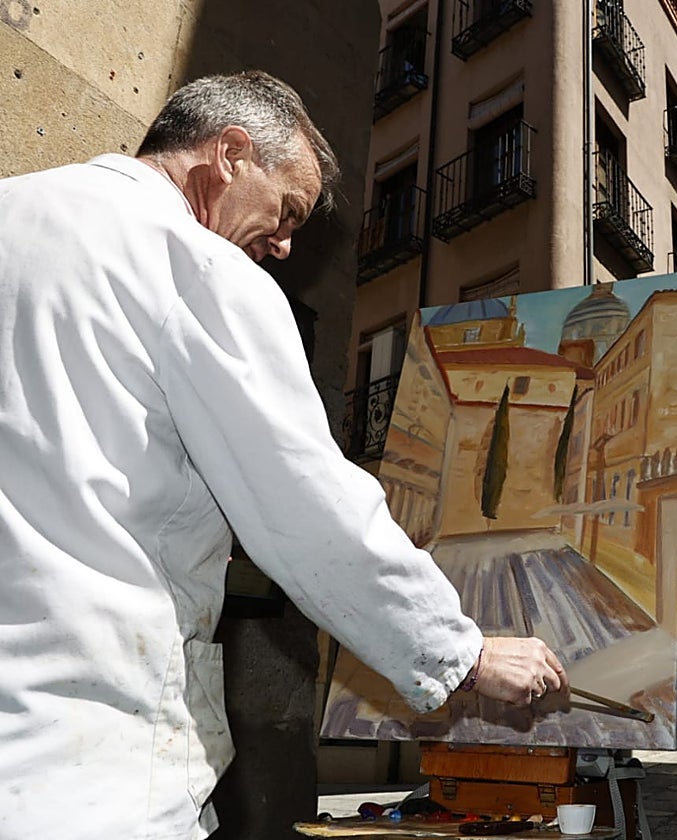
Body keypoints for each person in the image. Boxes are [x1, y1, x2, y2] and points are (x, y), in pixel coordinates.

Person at [0, 71, 567, 839]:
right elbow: (305, 505)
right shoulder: (194, 263)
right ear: (231, 153)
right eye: (288, 208)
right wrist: (463, 654)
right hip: (83, 760)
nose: (287, 243)